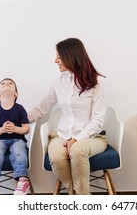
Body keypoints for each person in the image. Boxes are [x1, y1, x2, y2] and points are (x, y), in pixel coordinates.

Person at [28, 38, 107, 195]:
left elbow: (98, 120)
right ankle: (79, 198)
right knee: (56, 157)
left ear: (71, 56)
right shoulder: (59, 82)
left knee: (77, 150)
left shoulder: (96, 83)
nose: (55, 60)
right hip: (61, 135)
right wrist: (16, 118)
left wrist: (77, 139)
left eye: (59, 56)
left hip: (92, 137)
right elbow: (42, 109)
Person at [0, 78, 31, 195]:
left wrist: (15, 129)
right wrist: (1, 129)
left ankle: (22, 180)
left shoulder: (20, 109)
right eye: (3, 84)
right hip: (0, 140)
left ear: (16, 94)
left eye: (10, 84)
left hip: (18, 140)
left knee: (19, 152)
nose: (6, 85)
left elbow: (26, 129)